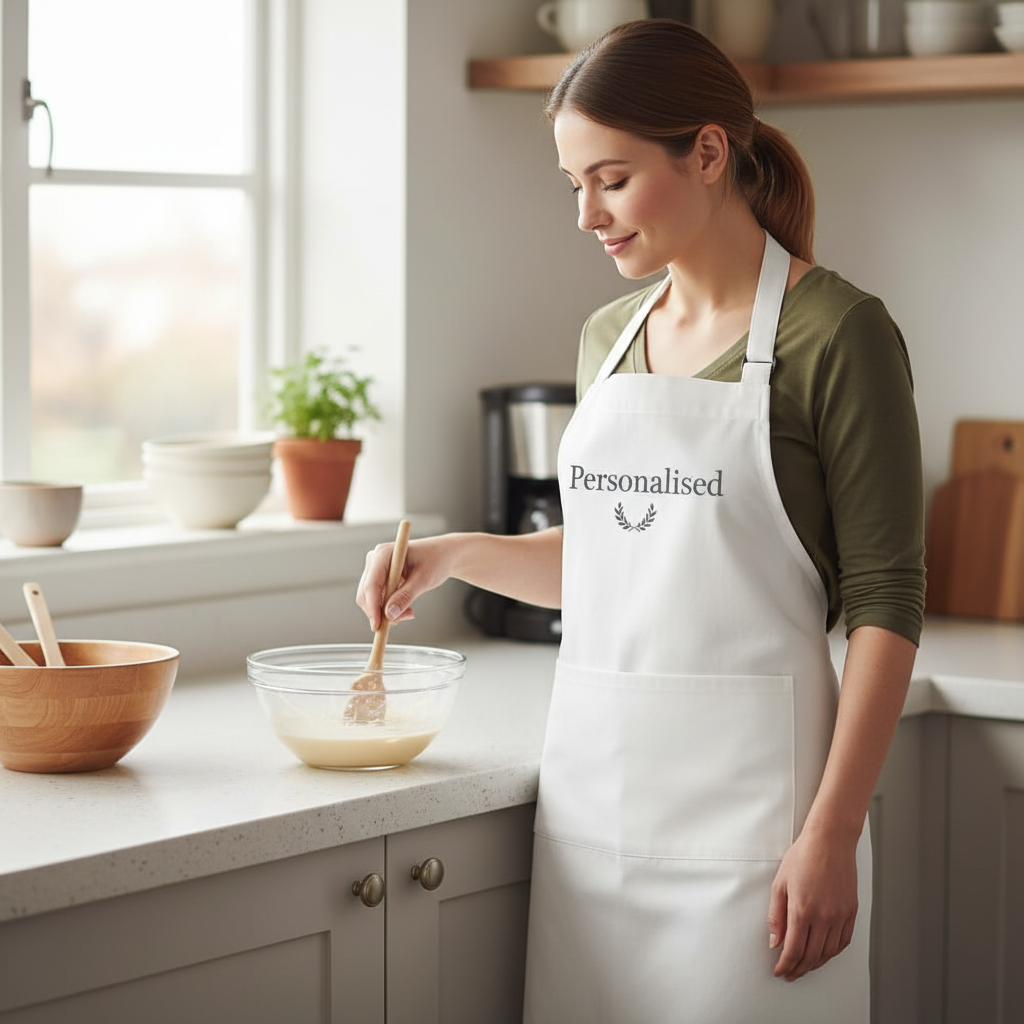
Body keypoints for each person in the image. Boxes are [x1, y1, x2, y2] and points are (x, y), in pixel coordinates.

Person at [357, 18, 924, 1024]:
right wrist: (447, 557)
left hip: (765, 841)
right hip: (594, 829)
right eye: (572, 183)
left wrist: (831, 833)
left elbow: (886, 607)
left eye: (609, 179)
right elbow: (615, 558)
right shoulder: (607, 338)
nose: (585, 213)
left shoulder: (838, 333)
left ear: (707, 152)